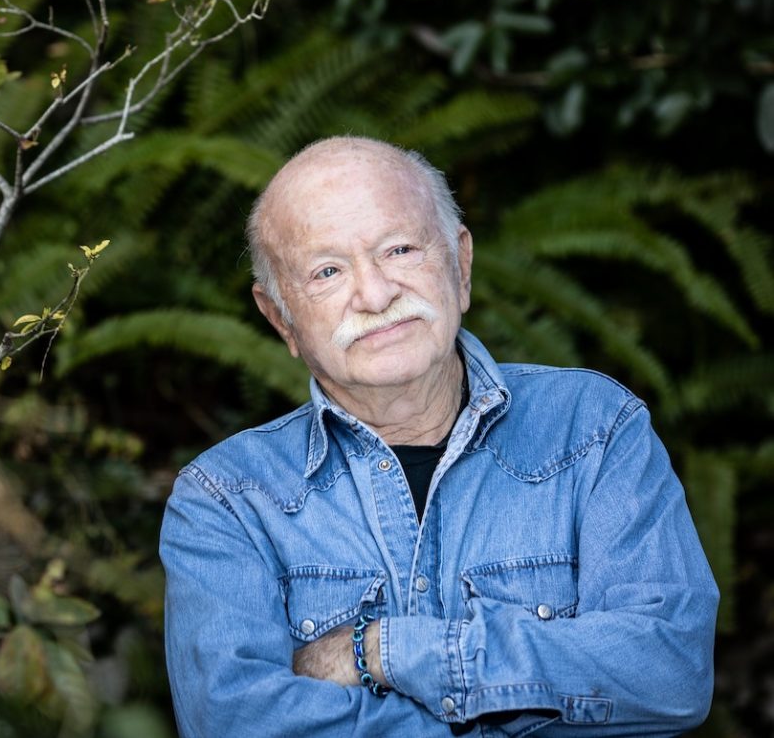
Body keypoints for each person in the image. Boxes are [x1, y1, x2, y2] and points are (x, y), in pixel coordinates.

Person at [159, 136, 718, 737]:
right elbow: (235, 722)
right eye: (327, 271)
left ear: (461, 263)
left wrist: (385, 649)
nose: (376, 294)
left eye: (399, 249)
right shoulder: (227, 500)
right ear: (280, 319)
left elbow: (670, 672)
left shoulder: (594, 429)